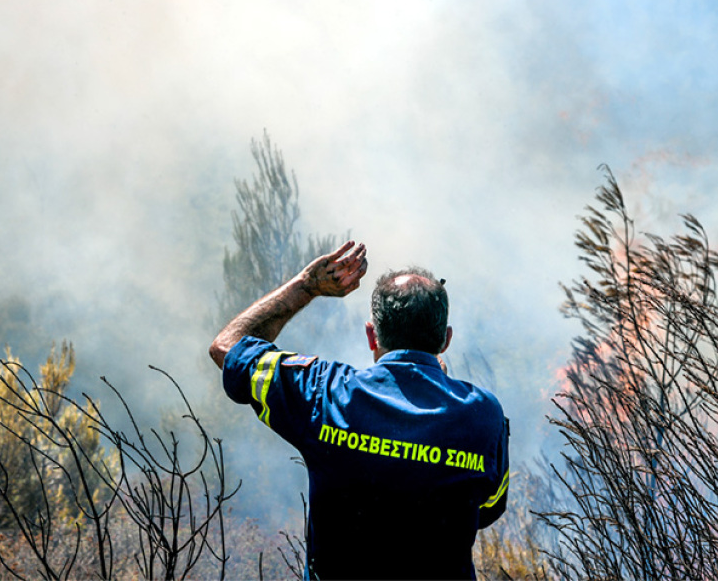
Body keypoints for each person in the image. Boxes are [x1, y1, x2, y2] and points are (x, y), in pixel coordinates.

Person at [209, 240, 510, 580]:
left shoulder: (325, 394)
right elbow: (486, 508)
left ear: (372, 335)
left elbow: (227, 346)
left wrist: (306, 286)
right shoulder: (484, 415)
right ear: (445, 340)